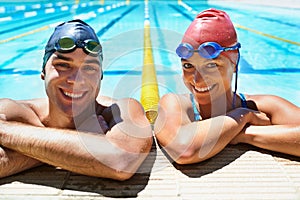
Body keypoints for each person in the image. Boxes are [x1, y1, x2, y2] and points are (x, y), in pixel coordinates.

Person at [0, 19, 153, 180]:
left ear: (100, 76)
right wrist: (88, 143)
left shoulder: (122, 110)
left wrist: (5, 132)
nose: (76, 79)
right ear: (43, 71)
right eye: (63, 65)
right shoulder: (12, 111)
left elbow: (121, 162)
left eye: (89, 68)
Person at [154, 8, 300, 165]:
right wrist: (242, 116)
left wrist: (246, 134)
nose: (197, 79)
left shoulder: (268, 105)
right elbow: (185, 151)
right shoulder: (176, 104)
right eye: (188, 66)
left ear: (235, 63)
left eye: (211, 65)